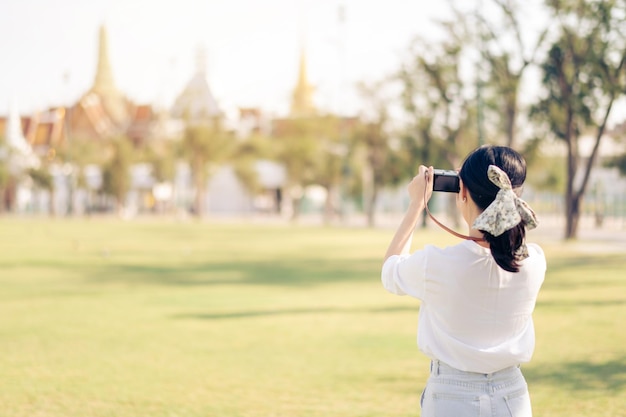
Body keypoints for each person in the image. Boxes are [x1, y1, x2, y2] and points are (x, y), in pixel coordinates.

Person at [381, 145, 546, 417]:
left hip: (451, 396)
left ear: (463, 193)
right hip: (512, 396)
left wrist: (416, 205)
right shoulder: (534, 261)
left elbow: (390, 271)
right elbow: (504, 247)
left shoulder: (437, 264)